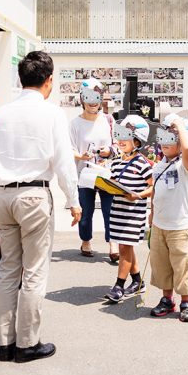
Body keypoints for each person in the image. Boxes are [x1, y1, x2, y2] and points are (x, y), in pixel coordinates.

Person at [0, 51, 82, 363]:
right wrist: (74, 201)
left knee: (9, 269)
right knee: (34, 271)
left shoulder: (1, 114)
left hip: (4, 197)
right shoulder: (52, 114)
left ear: (20, 79)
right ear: (49, 81)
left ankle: (5, 344)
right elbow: (64, 164)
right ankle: (27, 344)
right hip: (35, 196)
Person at [148, 114, 188, 322]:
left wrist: (179, 125)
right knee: (162, 266)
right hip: (160, 225)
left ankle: (186, 302)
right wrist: (151, 214)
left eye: (172, 139)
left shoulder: (185, 165)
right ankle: (167, 300)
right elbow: (154, 191)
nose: (167, 143)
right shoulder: (159, 165)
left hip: (180, 226)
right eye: (165, 137)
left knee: (182, 266)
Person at [103, 115, 154, 303]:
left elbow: (153, 187)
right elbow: (114, 183)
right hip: (117, 212)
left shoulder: (143, 164)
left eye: (126, 136)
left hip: (134, 214)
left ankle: (119, 286)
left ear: (137, 140)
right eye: (119, 136)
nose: (121, 141)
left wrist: (138, 195)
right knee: (127, 247)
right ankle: (138, 281)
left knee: (124, 247)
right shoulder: (116, 163)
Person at [69, 78, 118, 261]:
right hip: (84, 174)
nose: (92, 102)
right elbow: (69, 148)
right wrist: (81, 156)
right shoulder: (75, 124)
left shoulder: (108, 120)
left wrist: (109, 151)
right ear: (82, 98)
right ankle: (86, 240)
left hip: (106, 172)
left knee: (110, 209)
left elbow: (117, 144)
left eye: (96, 97)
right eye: (88, 97)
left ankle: (112, 242)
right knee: (86, 211)